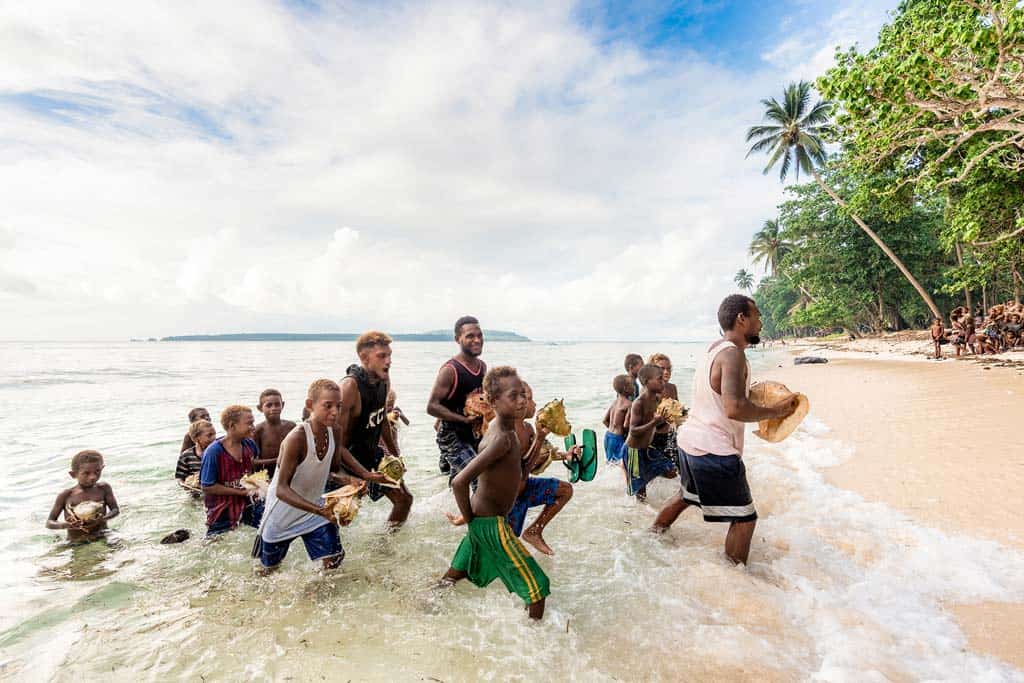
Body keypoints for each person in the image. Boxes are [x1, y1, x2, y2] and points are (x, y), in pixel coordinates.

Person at [651, 294, 798, 565]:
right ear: (741, 319)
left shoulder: (714, 348)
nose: (761, 322)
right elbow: (734, 408)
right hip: (712, 450)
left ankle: (652, 537)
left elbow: (719, 395)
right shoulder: (733, 355)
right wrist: (776, 412)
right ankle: (735, 579)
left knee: (686, 496)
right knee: (745, 519)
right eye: (757, 316)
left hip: (690, 444)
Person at [438, 367, 550, 619]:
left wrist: (540, 438)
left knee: (453, 576)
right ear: (493, 401)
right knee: (537, 590)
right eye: (514, 396)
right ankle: (535, 646)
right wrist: (468, 518)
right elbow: (459, 482)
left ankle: (423, 609)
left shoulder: (506, 431)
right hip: (491, 525)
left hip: (483, 522)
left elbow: (521, 472)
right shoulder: (501, 437)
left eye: (523, 394)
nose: (522, 400)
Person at [446, 381, 577, 556]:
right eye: (530, 399)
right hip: (509, 502)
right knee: (502, 552)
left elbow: (542, 453)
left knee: (565, 490)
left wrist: (565, 455)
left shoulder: (528, 428)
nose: (535, 404)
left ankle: (534, 531)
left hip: (525, 489)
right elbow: (496, 477)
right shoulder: (506, 435)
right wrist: (467, 517)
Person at [256, 379, 373, 573]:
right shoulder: (297, 438)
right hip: (281, 514)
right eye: (328, 406)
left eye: (339, 406)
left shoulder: (335, 430)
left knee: (335, 560)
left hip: (315, 511)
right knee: (269, 573)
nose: (335, 411)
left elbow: (333, 470)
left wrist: (351, 482)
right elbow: (281, 490)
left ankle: (316, 596)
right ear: (310, 405)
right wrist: (320, 511)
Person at [335, 331, 411, 527]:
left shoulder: (384, 380)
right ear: (364, 357)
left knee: (404, 499)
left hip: (371, 454)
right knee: (340, 517)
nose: (388, 361)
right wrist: (363, 474)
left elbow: (382, 421)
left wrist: (396, 455)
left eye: (389, 355)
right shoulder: (349, 387)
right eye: (382, 356)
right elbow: (337, 444)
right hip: (344, 460)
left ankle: (383, 549)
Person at [427, 316, 487, 479]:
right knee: (478, 478)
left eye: (479, 335)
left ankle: (447, 503)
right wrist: (463, 420)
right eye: (470, 336)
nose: (477, 340)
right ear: (457, 339)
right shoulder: (450, 370)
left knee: (459, 480)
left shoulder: (482, 367)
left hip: (472, 433)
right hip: (451, 436)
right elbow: (432, 406)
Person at [200, 405, 263, 537]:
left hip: (248, 503)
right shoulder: (214, 452)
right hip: (221, 509)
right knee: (215, 543)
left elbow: (250, 470)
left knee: (265, 530)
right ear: (232, 426)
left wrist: (259, 485)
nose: (253, 426)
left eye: (253, 422)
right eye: (249, 423)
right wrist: (241, 492)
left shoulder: (249, 445)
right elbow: (207, 486)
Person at [624, 365, 678, 501]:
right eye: (659, 379)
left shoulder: (657, 400)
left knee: (671, 470)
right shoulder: (639, 402)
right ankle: (640, 514)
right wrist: (655, 422)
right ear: (647, 382)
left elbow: (657, 423)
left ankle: (646, 477)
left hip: (648, 448)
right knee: (640, 492)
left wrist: (665, 420)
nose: (663, 382)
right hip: (634, 451)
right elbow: (633, 430)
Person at [46, 450, 120, 542]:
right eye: (86, 473)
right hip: (77, 541)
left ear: (102, 468)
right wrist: (66, 525)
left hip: (102, 535)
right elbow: (49, 522)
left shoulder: (104, 488)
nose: (93, 477)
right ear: (73, 474)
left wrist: (103, 519)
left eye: (97, 471)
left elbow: (115, 510)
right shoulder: (66, 495)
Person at [253, 389, 296, 478]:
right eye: (269, 405)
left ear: (282, 405)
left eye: (277, 404)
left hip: (290, 473)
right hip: (268, 475)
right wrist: (277, 460)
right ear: (260, 408)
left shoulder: (291, 427)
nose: (274, 408)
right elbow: (253, 462)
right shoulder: (258, 430)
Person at [602, 374, 632, 474]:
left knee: (611, 463)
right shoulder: (629, 404)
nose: (633, 387)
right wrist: (626, 436)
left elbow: (605, 420)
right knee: (623, 465)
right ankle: (623, 485)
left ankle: (610, 482)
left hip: (608, 436)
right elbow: (626, 425)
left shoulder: (615, 402)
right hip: (618, 438)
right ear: (625, 388)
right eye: (631, 385)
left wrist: (613, 430)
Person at [176, 418, 216, 492]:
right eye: (209, 435)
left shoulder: (218, 451)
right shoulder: (186, 456)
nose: (214, 438)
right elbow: (179, 478)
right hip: (195, 491)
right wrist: (185, 485)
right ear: (196, 439)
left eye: (214, 434)